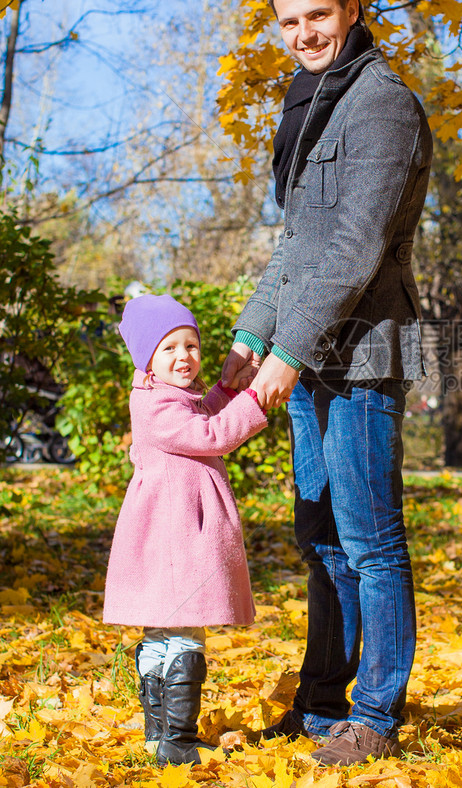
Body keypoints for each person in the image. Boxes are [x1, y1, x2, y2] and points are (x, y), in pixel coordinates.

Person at [220, 0, 432, 766]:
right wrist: (250, 337)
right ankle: (321, 707)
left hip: (363, 355)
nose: (304, 33)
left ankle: (374, 716)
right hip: (307, 354)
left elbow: (353, 250)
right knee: (324, 540)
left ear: (350, 9)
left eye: (318, 15)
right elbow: (298, 248)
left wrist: (288, 350)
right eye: (289, 22)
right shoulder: (309, 103)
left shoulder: (382, 106)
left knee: (371, 540)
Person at [103, 294, 268, 765]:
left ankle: (161, 736)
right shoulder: (155, 407)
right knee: (184, 633)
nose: (184, 357)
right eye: (170, 348)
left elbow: (202, 409)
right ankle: (178, 740)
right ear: (147, 360)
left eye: (191, 345)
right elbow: (209, 434)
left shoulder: (165, 395)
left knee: (161, 633)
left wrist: (228, 391)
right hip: (176, 536)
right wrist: (254, 400)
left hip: (167, 532)